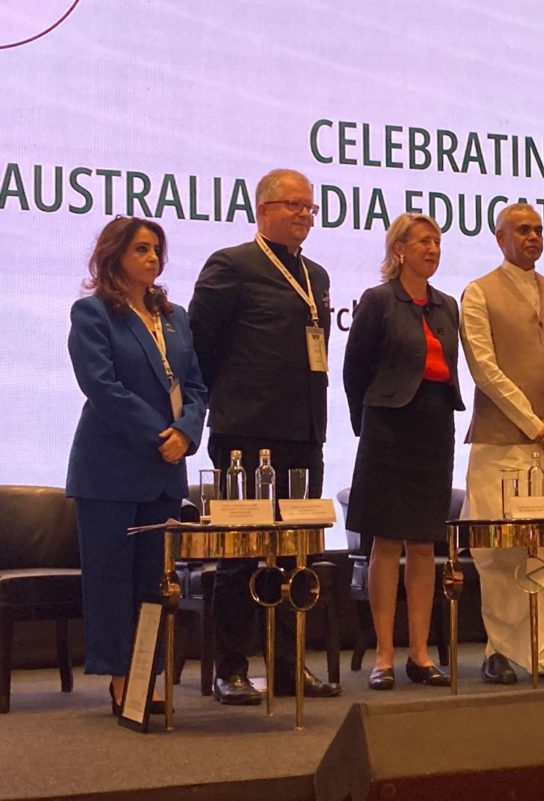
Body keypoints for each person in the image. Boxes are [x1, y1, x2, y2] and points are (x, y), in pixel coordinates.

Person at [189, 169, 340, 704]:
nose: (304, 215)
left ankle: (286, 666)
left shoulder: (315, 274)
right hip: (245, 437)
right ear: (263, 208)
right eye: (293, 205)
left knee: (296, 554)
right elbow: (200, 348)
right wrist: (214, 409)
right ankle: (230, 668)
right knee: (241, 555)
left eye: (310, 208)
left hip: (304, 435)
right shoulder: (232, 264)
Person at [66, 216, 207, 713]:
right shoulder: (93, 313)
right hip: (110, 470)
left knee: (155, 582)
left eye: (157, 250)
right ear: (114, 256)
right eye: (142, 249)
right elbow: (102, 387)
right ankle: (121, 677)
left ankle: (150, 673)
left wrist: (187, 430)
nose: (152, 259)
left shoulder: (176, 316)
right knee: (111, 583)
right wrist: (159, 435)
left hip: (166, 470)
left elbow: (195, 386)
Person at [460, 203, 544, 683]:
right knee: (501, 551)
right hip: (502, 443)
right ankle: (500, 652)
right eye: (522, 230)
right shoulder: (478, 292)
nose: (533, 237)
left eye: (538, 229)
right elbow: (484, 368)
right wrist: (535, 422)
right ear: (500, 238)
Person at [343, 213, 464, 690]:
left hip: (434, 428)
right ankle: (385, 655)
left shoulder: (446, 305)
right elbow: (356, 370)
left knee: (423, 543)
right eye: (423, 242)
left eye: (437, 242)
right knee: (387, 542)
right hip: (388, 429)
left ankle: (419, 653)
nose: (433, 249)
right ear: (399, 250)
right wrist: (367, 423)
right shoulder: (379, 301)